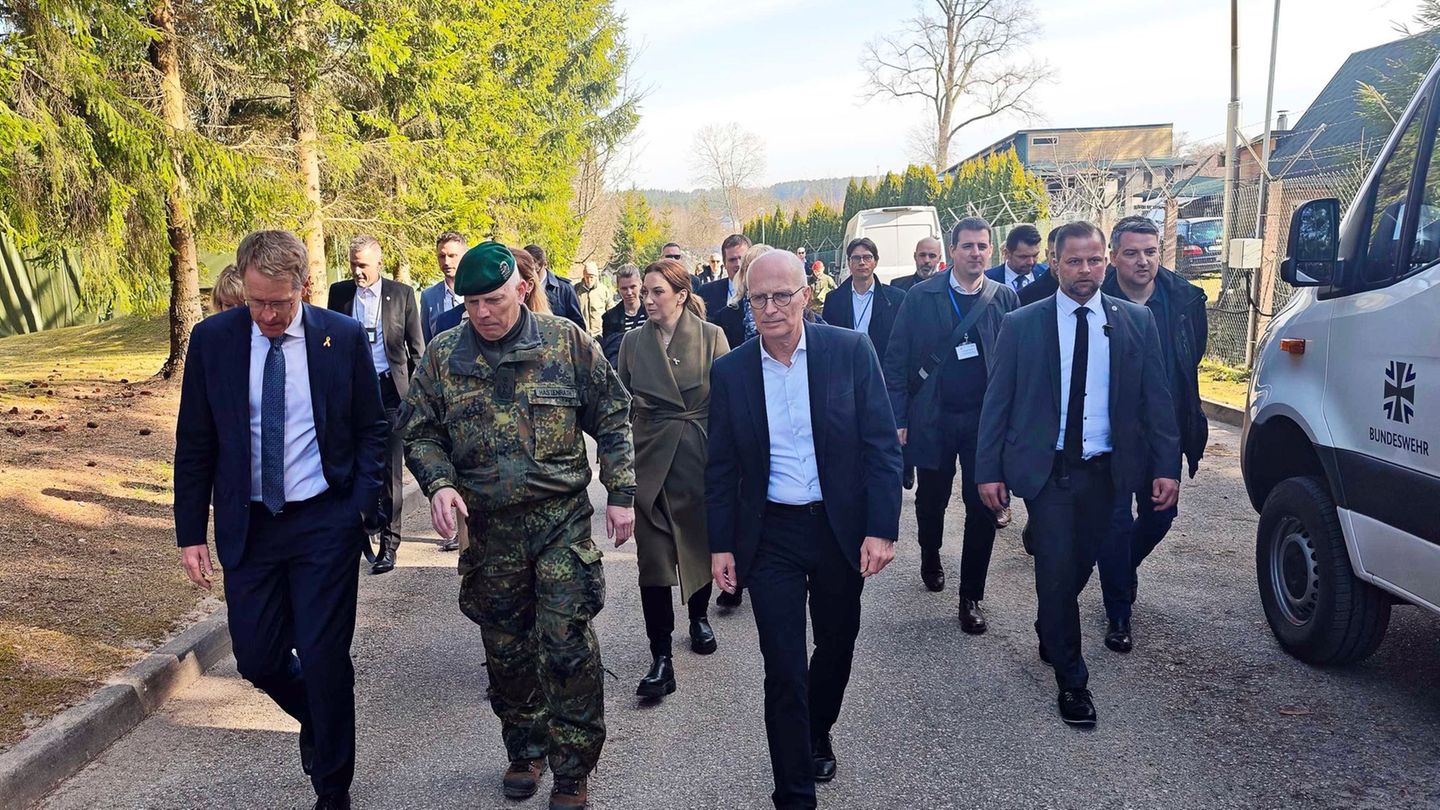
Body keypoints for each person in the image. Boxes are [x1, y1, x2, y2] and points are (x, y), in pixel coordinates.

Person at [399, 240, 635, 809]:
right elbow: (419, 431)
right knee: (507, 649)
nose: (483, 312)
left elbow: (613, 414)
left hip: (560, 524)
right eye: (472, 301)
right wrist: (440, 482)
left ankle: (573, 768)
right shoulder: (442, 355)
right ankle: (524, 749)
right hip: (490, 531)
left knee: (565, 641)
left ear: (522, 289)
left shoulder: (566, 344)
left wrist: (622, 492)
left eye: (495, 299)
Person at [175, 230, 388, 810]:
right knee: (258, 657)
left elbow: (372, 429)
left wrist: (360, 508)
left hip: (324, 523)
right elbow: (195, 440)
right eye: (256, 301)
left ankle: (333, 788)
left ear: (304, 288)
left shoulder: (338, 338)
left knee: (323, 657)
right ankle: (320, 721)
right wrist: (191, 531)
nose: (267, 315)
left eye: (280, 303)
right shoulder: (213, 340)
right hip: (252, 526)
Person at [706, 249, 901, 810]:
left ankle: (819, 727)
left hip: (839, 529)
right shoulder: (732, 372)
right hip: (771, 536)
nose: (770, 308)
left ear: (806, 295)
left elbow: (881, 447)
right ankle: (793, 794)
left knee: (837, 644)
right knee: (784, 667)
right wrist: (721, 543)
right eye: (759, 297)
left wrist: (881, 528)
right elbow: (721, 468)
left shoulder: (849, 351)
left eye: (782, 296)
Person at [975, 221, 1180, 728]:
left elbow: (1157, 401)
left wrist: (1165, 467)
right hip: (1051, 474)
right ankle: (1073, 680)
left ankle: (1052, 618)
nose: (1085, 271)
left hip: (1110, 472)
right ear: (1054, 263)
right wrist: (988, 470)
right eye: (1074, 262)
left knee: (1080, 565)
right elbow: (997, 402)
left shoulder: (1135, 321)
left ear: (1105, 261)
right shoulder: (1024, 324)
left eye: (1093, 261)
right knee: (1054, 568)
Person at [882, 217, 1019, 631]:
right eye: (967, 246)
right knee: (932, 500)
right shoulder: (921, 297)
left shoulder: (1005, 298)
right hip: (934, 417)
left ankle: (971, 596)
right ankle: (930, 553)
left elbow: (1017, 365)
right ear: (952, 251)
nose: (975, 253)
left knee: (983, 506)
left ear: (990, 251)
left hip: (984, 423)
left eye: (982, 246)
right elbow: (896, 360)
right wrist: (899, 418)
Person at [617, 258, 730, 699]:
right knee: (654, 562)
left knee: (697, 545)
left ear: (681, 294)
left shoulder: (711, 337)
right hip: (650, 463)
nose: (647, 300)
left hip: (697, 457)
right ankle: (660, 656)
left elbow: (728, 406)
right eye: (644, 292)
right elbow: (619, 407)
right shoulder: (631, 343)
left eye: (657, 292)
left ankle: (698, 617)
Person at [1096, 216, 1208, 652]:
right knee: (1115, 523)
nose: (1143, 261)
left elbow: (1189, 362)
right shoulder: (1094, 296)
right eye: (1132, 252)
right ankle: (1118, 615)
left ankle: (1122, 568)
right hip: (1109, 428)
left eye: (1151, 251)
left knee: (1161, 514)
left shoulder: (1185, 299)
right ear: (1114, 257)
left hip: (1165, 426)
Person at [327, 235, 423, 574]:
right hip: (352, 395)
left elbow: (417, 351)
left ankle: (390, 543)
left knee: (389, 473)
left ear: (378, 264)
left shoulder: (400, 295)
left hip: (391, 393)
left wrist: (416, 398)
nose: (357, 271)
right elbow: (330, 344)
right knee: (353, 467)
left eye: (363, 265)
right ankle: (360, 533)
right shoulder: (339, 293)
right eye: (353, 264)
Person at [822, 238, 905, 364]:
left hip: (881, 370)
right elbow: (827, 341)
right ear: (849, 263)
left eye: (867, 257)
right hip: (845, 369)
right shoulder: (833, 300)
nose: (862, 262)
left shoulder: (895, 299)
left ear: (876, 261)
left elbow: (901, 343)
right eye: (856, 258)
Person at [420, 232, 468, 342]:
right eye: (442, 256)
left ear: (465, 256)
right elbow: (426, 341)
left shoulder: (479, 292)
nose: (446, 262)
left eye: (452, 256)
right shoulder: (428, 296)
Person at [525, 243, 586, 330]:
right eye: (527, 272)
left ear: (545, 264)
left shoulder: (564, 289)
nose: (532, 276)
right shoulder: (519, 287)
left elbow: (578, 327)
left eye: (536, 271)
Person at [600, 264, 647, 368]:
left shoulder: (652, 312)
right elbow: (610, 351)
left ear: (640, 284)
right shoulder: (610, 318)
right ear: (618, 288)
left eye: (632, 287)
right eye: (624, 288)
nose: (629, 292)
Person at [699, 233, 751, 319]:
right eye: (732, 260)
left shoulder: (763, 292)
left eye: (742, 258)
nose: (738, 264)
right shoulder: (706, 293)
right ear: (724, 264)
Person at [985, 224, 1044, 293]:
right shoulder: (987, 280)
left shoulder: (1047, 275)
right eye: (1023, 257)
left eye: (1035, 255)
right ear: (1006, 253)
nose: (1030, 262)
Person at [1018, 227, 1061, 306]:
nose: (1061, 262)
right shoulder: (1027, 296)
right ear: (1046, 254)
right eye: (1055, 255)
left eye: (1072, 259)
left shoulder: (1089, 290)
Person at [574, 260, 611, 338]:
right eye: (587, 277)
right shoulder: (576, 290)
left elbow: (611, 311)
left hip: (600, 334)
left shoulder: (603, 290)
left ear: (596, 277)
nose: (589, 280)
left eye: (592, 277)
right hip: (582, 334)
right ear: (583, 276)